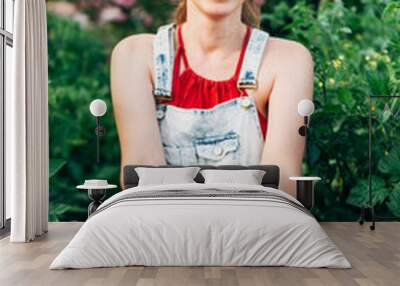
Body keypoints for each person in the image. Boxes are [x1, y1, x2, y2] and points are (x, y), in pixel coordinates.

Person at [111, 0, 314, 197]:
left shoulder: (288, 60)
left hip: (254, 228)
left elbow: (282, 188)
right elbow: (142, 186)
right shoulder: (136, 55)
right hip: (164, 229)